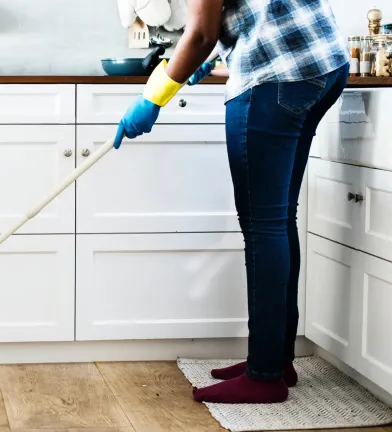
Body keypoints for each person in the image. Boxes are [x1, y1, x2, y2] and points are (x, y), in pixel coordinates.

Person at [115, 0, 349, 404]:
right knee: (278, 220)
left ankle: (264, 377)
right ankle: (275, 358)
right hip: (323, 65)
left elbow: (202, 33)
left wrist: (154, 96)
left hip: (277, 76)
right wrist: (225, 56)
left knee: (264, 225)